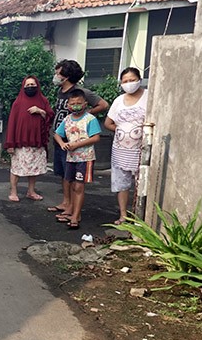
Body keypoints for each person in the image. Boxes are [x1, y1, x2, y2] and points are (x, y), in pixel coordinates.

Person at [47, 59, 109, 218]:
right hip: (60, 137)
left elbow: (103, 104)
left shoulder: (80, 93)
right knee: (64, 173)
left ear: (66, 76)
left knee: (74, 176)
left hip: (74, 142)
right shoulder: (61, 92)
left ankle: (73, 208)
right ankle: (66, 202)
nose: (55, 76)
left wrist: (86, 116)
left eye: (58, 73)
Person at [53, 89, 102, 230]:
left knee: (79, 186)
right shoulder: (67, 119)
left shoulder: (90, 119)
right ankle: (73, 212)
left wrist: (77, 145)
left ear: (85, 103)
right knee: (72, 185)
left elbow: (96, 137)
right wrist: (62, 144)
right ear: (68, 105)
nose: (75, 106)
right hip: (71, 158)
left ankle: (75, 216)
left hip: (85, 158)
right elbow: (57, 134)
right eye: (72, 103)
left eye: (79, 103)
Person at [105, 67, 148, 225]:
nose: (129, 83)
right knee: (122, 183)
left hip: (141, 149)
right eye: (125, 81)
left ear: (139, 80)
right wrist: (124, 131)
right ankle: (123, 214)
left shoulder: (148, 96)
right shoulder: (119, 100)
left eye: (132, 80)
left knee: (141, 182)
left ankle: (139, 215)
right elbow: (108, 123)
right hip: (120, 149)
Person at [4, 76, 54, 202]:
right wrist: (10, 143)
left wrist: (40, 110)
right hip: (20, 142)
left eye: (32, 84)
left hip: (37, 141)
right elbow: (12, 123)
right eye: (27, 85)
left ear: (37, 85)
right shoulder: (18, 103)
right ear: (23, 87)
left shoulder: (43, 100)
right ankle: (13, 191)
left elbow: (50, 116)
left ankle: (31, 191)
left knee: (34, 168)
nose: (30, 87)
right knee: (16, 167)